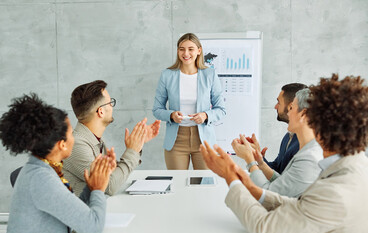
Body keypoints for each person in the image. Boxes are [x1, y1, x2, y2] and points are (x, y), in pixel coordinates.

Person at [200, 74, 368, 233]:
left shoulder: (334, 191)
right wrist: (248, 185)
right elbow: (303, 205)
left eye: (291, 108)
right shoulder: (354, 164)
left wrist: (230, 178)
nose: (288, 112)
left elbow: (264, 228)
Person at [0, 94, 113, 233]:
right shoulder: (41, 179)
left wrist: (91, 188)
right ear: (62, 144)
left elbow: (71, 211)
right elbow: (93, 227)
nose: (74, 137)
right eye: (71, 133)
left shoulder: (43, 169)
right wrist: (98, 189)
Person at [63, 80, 160, 196]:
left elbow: (112, 175)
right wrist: (132, 151)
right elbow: (109, 186)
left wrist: (137, 145)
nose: (112, 107)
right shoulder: (76, 145)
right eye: (110, 103)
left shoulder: (94, 140)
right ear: (101, 112)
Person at [152, 33, 226, 170]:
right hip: (176, 140)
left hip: (203, 141)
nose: (186, 53)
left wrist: (205, 115)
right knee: (178, 186)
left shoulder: (210, 74)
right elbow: (157, 109)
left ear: (199, 51)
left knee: (204, 186)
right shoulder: (167, 75)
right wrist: (171, 115)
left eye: (190, 49)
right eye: (181, 49)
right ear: (178, 51)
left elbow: (221, 109)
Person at [232, 88, 323, 197]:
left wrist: (250, 160)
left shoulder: (309, 158)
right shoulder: (295, 142)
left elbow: (269, 196)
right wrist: (259, 161)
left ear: (303, 114)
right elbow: (282, 181)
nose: (288, 113)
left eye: (291, 108)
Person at [259, 83, 308, 174]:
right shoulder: (288, 137)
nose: (275, 107)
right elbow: (277, 169)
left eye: (279, 102)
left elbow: (282, 181)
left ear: (291, 106)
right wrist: (258, 158)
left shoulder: (304, 142)